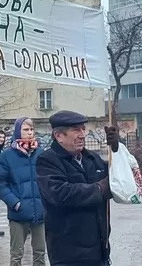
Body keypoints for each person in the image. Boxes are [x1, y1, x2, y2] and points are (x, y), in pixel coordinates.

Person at [36, 110, 115, 266]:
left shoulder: (92, 159)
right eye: (75, 130)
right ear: (59, 136)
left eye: (83, 129)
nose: (82, 135)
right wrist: (99, 189)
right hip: (69, 254)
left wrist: (117, 149)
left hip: (99, 250)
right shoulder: (47, 161)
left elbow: (119, 181)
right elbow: (60, 194)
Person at [0, 117, 45, 266]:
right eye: (26, 130)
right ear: (18, 132)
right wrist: (14, 202)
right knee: (17, 254)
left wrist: (46, 202)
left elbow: (48, 180)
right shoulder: (7, 156)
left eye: (31, 129)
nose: (30, 133)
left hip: (39, 211)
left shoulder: (40, 153)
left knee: (40, 254)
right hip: (18, 213)